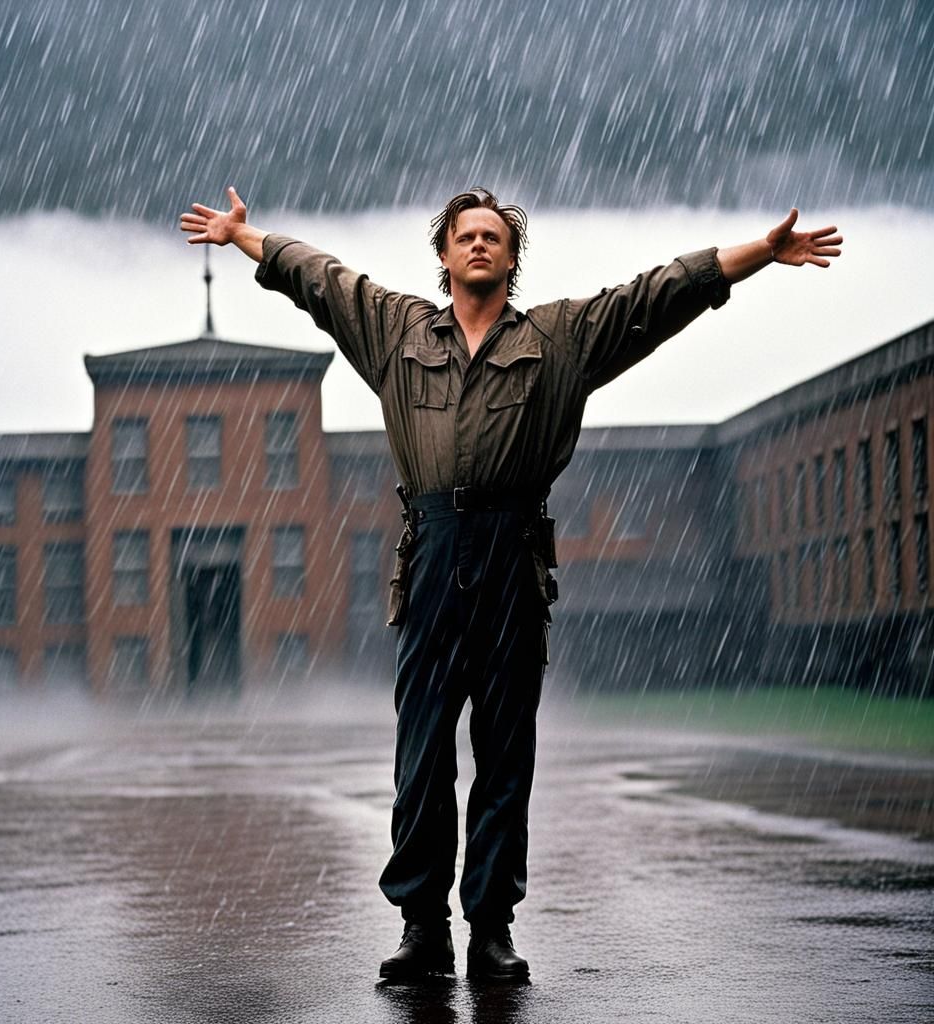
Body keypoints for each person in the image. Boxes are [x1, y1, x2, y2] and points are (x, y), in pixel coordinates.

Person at [180, 187, 842, 982]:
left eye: (495, 237)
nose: (481, 247)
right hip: (431, 549)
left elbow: (657, 294)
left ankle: (490, 928)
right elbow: (319, 277)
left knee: (505, 753)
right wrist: (246, 236)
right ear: (446, 256)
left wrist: (761, 253)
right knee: (421, 750)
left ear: (513, 258)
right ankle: (423, 928)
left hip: (513, 552)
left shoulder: (559, 341)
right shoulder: (396, 331)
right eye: (467, 237)